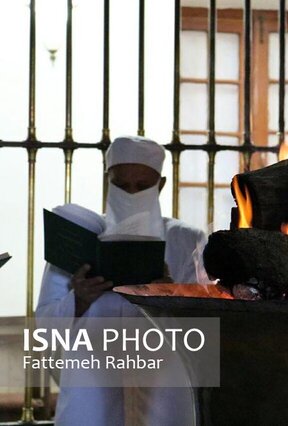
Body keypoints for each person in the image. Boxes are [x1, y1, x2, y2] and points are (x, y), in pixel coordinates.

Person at [36, 136, 204, 426]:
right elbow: (44, 324)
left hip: (164, 389)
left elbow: (204, 330)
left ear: (160, 185)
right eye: (121, 185)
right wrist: (79, 300)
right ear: (107, 181)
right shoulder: (80, 237)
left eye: (142, 186)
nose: (131, 193)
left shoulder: (186, 240)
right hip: (90, 389)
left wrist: (169, 295)